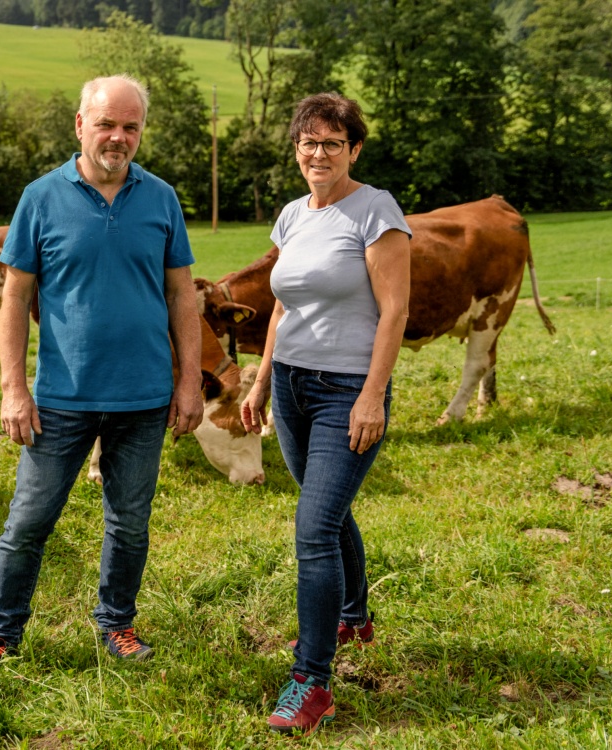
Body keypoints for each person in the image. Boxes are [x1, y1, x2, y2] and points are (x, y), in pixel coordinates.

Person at [0, 74, 203, 673]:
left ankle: (117, 625)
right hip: (60, 399)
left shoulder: (162, 199)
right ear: (80, 125)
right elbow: (14, 299)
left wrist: (189, 382)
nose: (118, 137)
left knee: (129, 524)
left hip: (145, 396)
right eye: (106, 124)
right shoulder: (41, 197)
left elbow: (182, 296)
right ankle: (2, 636)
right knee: (28, 522)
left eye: (130, 127)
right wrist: (14, 388)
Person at [239, 92, 411, 735]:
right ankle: (354, 612)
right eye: (309, 143)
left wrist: (372, 394)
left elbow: (394, 310)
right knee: (327, 509)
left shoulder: (375, 210)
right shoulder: (290, 217)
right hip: (289, 387)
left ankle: (312, 680)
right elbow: (283, 306)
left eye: (332, 144)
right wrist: (260, 383)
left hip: (346, 390)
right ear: (297, 149)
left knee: (312, 529)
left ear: (353, 150)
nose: (319, 154)